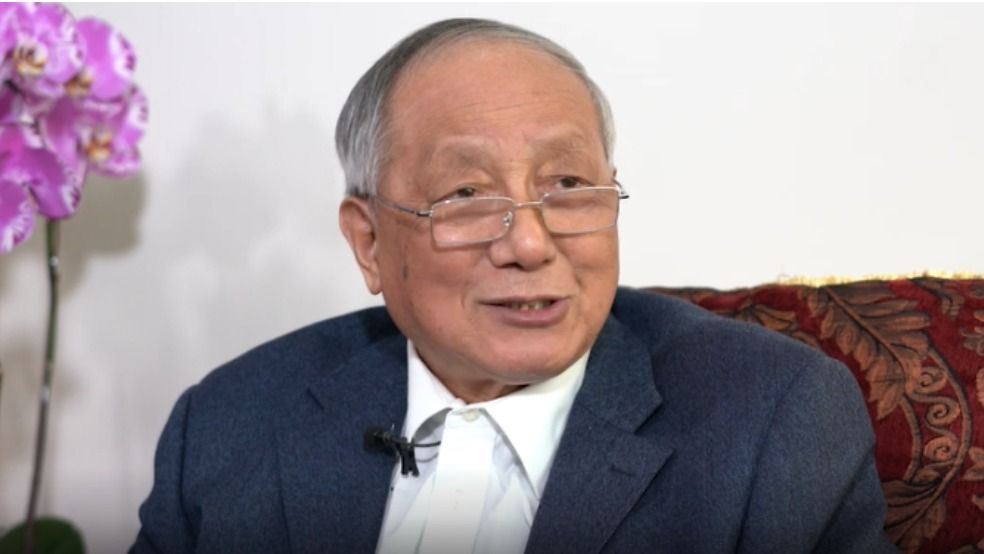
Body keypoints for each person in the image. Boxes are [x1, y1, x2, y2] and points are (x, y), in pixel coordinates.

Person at [132, 18, 897, 554]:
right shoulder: (231, 423)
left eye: (568, 186)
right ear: (369, 243)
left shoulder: (771, 424)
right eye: (466, 195)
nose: (530, 244)